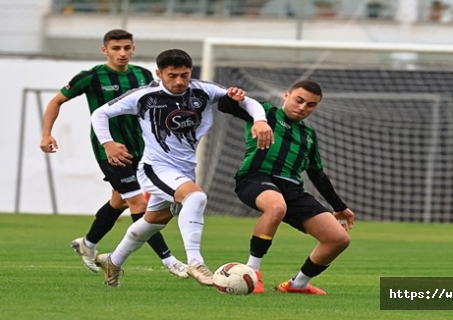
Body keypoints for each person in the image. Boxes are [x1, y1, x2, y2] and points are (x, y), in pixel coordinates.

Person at [91, 48, 274, 287]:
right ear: (159, 74)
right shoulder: (144, 96)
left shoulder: (202, 90)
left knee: (153, 221)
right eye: (172, 75)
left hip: (184, 170)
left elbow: (248, 102)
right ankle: (196, 263)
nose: (179, 81)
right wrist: (108, 143)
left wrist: (260, 121)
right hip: (155, 168)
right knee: (196, 198)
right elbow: (100, 113)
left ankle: (113, 261)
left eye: (184, 75)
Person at [39, 29, 188, 278]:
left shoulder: (142, 74)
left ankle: (87, 243)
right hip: (109, 150)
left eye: (127, 47)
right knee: (138, 203)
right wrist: (46, 134)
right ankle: (170, 261)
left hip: (142, 149)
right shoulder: (92, 77)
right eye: (116, 48)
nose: (122, 52)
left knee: (119, 201)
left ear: (133, 49)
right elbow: (56, 101)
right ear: (104, 50)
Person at [218, 79, 355, 295]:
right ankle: (253, 274)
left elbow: (316, 173)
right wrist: (230, 97)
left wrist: (339, 206)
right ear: (286, 95)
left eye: (310, 105)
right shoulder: (264, 113)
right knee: (276, 207)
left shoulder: (308, 135)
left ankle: (297, 284)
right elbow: (226, 107)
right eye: (299, 100)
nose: (302, 107)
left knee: (338, 239)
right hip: (255, 177)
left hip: (291, 189)